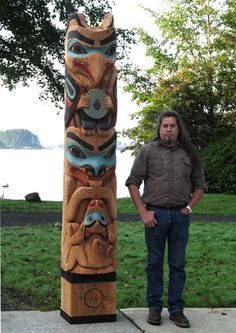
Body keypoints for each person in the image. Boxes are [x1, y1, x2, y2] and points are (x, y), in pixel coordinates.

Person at [125, 110, 207, 328]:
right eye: (165, 126)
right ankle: (154, 308)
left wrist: (189, 208)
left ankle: (176, 310)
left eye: (172, 126)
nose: (168, 129)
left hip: (180, 216)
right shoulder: (147, 151)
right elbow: (133, 182)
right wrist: (143, 212)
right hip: (155, 216)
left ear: (178, 129)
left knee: (178, 265)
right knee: (154, 264)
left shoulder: (189, 154)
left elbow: (200, 185)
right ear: (159, 128)